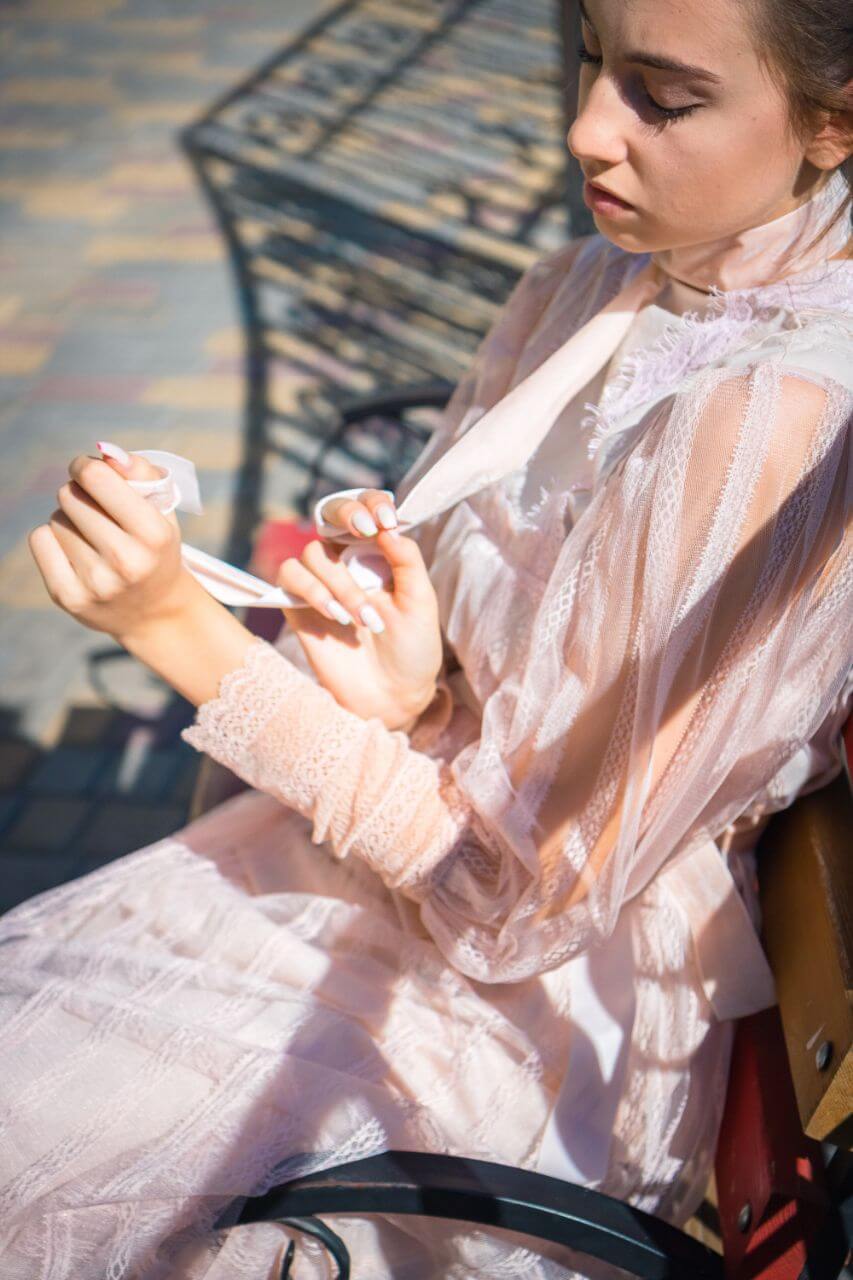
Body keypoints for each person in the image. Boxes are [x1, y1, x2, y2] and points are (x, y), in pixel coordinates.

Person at [6, 0, 852, 1273]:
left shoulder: (778, 428)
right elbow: (485, 683)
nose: (584, 132)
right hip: (371, 860)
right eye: (586, 61)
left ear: (832, 126)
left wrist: (176, 628)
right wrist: (415, 663)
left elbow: (518, 904)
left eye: (661, 99)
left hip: (519, 1010)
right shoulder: (586, 279)